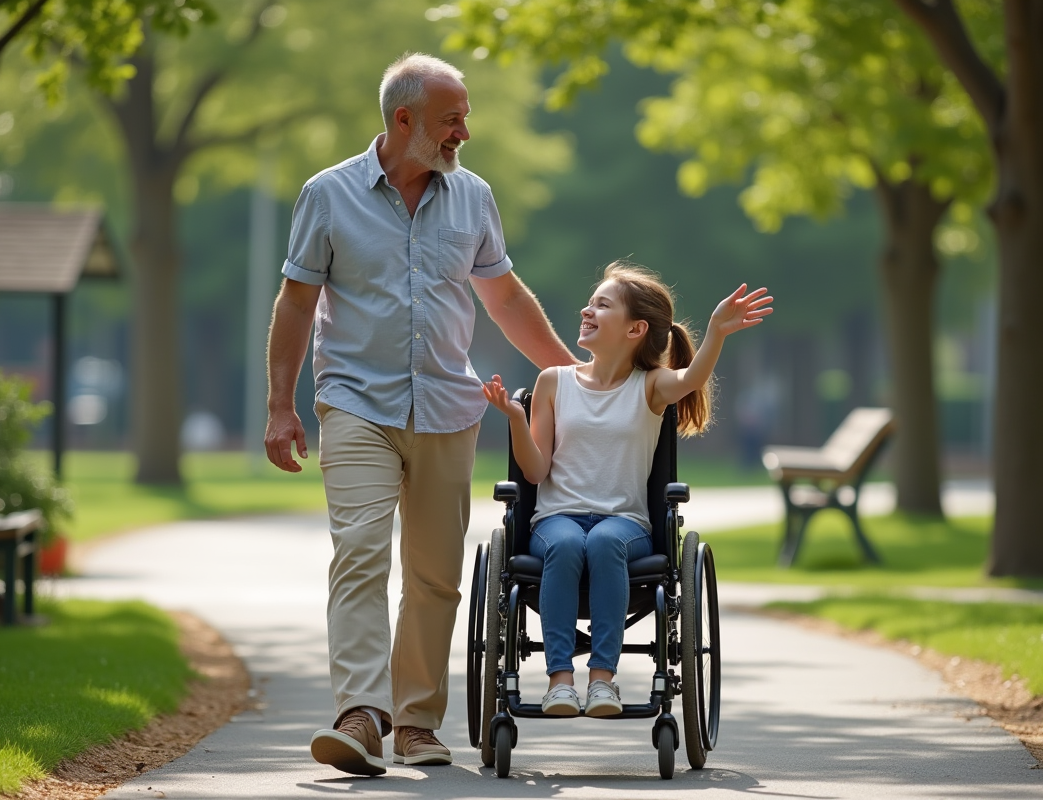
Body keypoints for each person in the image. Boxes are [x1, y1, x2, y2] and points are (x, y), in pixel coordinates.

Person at [264, 53, 576, 776]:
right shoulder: (328, 195)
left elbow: (504, 298)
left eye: (463, 117)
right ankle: (361, 715)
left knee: (434, 576)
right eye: (451, 119)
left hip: (446, 405)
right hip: (354, 402)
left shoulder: (472, 197)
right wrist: (281, 406)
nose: (464, 131)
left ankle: (415, 724)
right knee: (362, 553)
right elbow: (296, 304)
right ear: (403, 121)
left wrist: (571, 373)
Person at [483, 261, 772, 716]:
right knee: (563, 542)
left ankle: (602, 681)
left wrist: (715, 330)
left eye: (602, 304)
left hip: (626, 525)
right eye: (590, 301)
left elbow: (692, 379)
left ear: (635, 328)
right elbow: (535, 472)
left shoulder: (651, 386)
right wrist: (518, 419)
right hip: (555, 520)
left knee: (602, 541)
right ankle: (561, 681)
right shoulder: (553, 382)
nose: (587, 309)